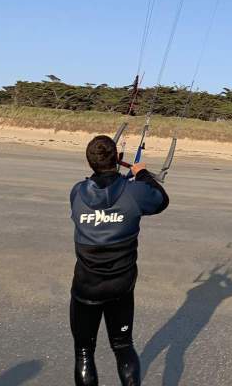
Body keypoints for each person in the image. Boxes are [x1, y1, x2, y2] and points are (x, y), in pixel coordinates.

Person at [69, 134, 169, 386]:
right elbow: (161, 199)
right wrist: (142, 173)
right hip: (120, 286)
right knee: (123, 346)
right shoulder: (134, 192)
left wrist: (124, 177)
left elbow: (105, 195)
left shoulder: (77, 192)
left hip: (87, 286)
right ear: (118, 158)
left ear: (90, 163)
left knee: (84, 352)